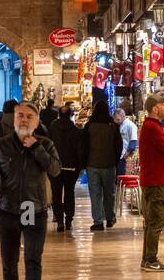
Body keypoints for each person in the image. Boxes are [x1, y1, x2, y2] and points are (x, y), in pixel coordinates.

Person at [0, 102, 61, 280]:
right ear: (13, 119)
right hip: (8, 209)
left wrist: (35, 147)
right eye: (20, 116)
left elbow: (54, 170)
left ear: (36, 122)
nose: (24, 120)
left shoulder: (46, 144)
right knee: (9, 260)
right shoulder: (2, 145)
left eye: (29, 116)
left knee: (32, 259)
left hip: (33, 209)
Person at [137, 93, 164, 271]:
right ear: (155, 108)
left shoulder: (152, 126)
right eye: (163, 104)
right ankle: (151, 259)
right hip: (156, 180)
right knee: (157, 221)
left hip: (153, 179)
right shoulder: (152, 127)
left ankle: (148, 258)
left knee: (152, 220)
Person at [83, 93, 122, 231]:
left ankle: (98, 221)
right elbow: (119, 146)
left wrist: (84, 162)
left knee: (95, 194)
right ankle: (110, 218)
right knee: (109, 193)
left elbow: (84, 146)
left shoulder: (89, 126)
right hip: (109, 164)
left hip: (92, 164)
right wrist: (115, 160)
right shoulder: (113, 126)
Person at [46, 101, 85, 231]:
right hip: (71, 167)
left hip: (55, 166)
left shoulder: (52, 128)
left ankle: (59, 221)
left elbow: (47, 147)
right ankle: (69, 219)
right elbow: (79, 149)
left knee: (56, 193)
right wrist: (80, 166)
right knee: (69, 192)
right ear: (70, 115)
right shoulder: (75, 130)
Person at [115, 107, 138, 177]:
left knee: (121, 176)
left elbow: (133, 141)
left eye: (117, 119)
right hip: (119, 155)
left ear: (122, 116)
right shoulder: (120, 125)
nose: (116, 121)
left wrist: (126, 155)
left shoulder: (131, 125)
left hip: (124, 156)